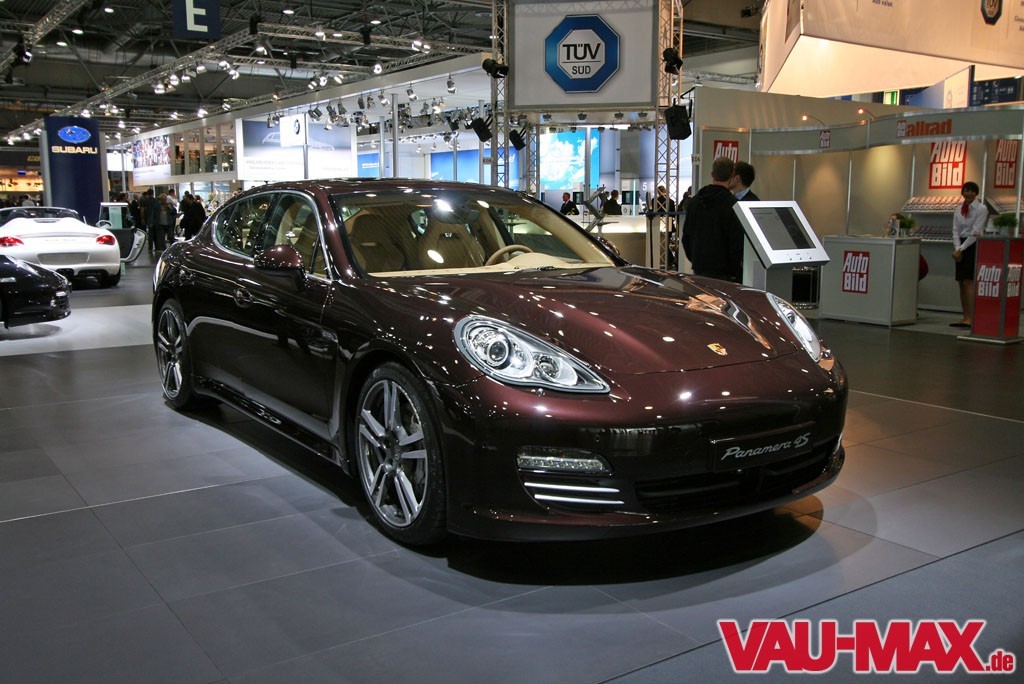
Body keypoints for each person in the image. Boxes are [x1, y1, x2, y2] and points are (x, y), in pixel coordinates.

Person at [681, 156, 745, 282]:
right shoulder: (734, 205)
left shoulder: (695, 202)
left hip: (699, 268)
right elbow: (736, 243)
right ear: (732, 176)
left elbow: (686, 237)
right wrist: (735, 270)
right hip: (725, 273)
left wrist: (696, 260)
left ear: (712, 174)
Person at [950, 180, 986, 328]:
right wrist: (957, 248)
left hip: (972, 245)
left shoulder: (981, 209)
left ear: (976, 193)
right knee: (961, 282)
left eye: (972, 191)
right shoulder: (959, 209)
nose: (969, 193)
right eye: (966, 191)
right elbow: (955, 230)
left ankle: (972, 318)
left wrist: (962, 249)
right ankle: (965, 317)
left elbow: (976, 232)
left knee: (968, 282)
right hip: (960, 246)